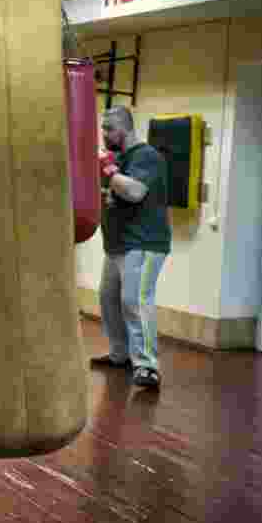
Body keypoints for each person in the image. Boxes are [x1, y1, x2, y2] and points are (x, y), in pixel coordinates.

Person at [92, 104, 171, 389]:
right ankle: (120, 355)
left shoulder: (146, 156)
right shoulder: (118, 158)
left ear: (124, 129)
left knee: (135, 301)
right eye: (102, 128)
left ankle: (147, 366)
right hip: (117, 245)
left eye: (108, 129)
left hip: (144, 243)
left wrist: (107, 171)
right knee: (108, 299)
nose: (104, 134)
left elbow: (135, 192)